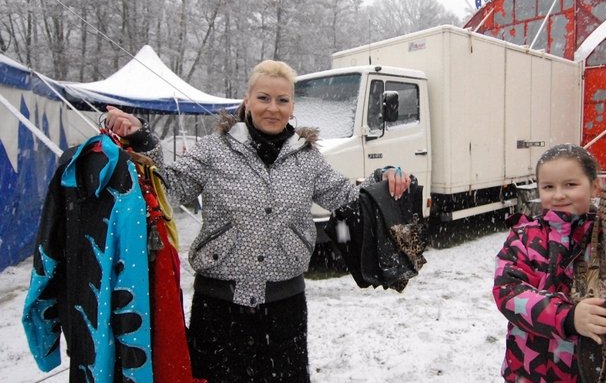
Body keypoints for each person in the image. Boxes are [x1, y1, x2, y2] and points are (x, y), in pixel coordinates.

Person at [105, 59, 412, 382]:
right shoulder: (213, 150)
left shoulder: (307, 159)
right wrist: (144, 141)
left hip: (284, 310)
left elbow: (347, 196)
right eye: (263, 98)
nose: (273, 108)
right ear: (247, 101)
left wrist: (383, 179)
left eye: (282, 100)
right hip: (219, 311)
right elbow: (168, 189)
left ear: (293, 107)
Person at [492, 144, 606, 382]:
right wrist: (568, 317)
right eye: (549, 187)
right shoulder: (524, 237)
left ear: (594, 186)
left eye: (570, 184)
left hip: (589, 372)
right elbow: (508, 292)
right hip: (529, 372)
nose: (559, 194)